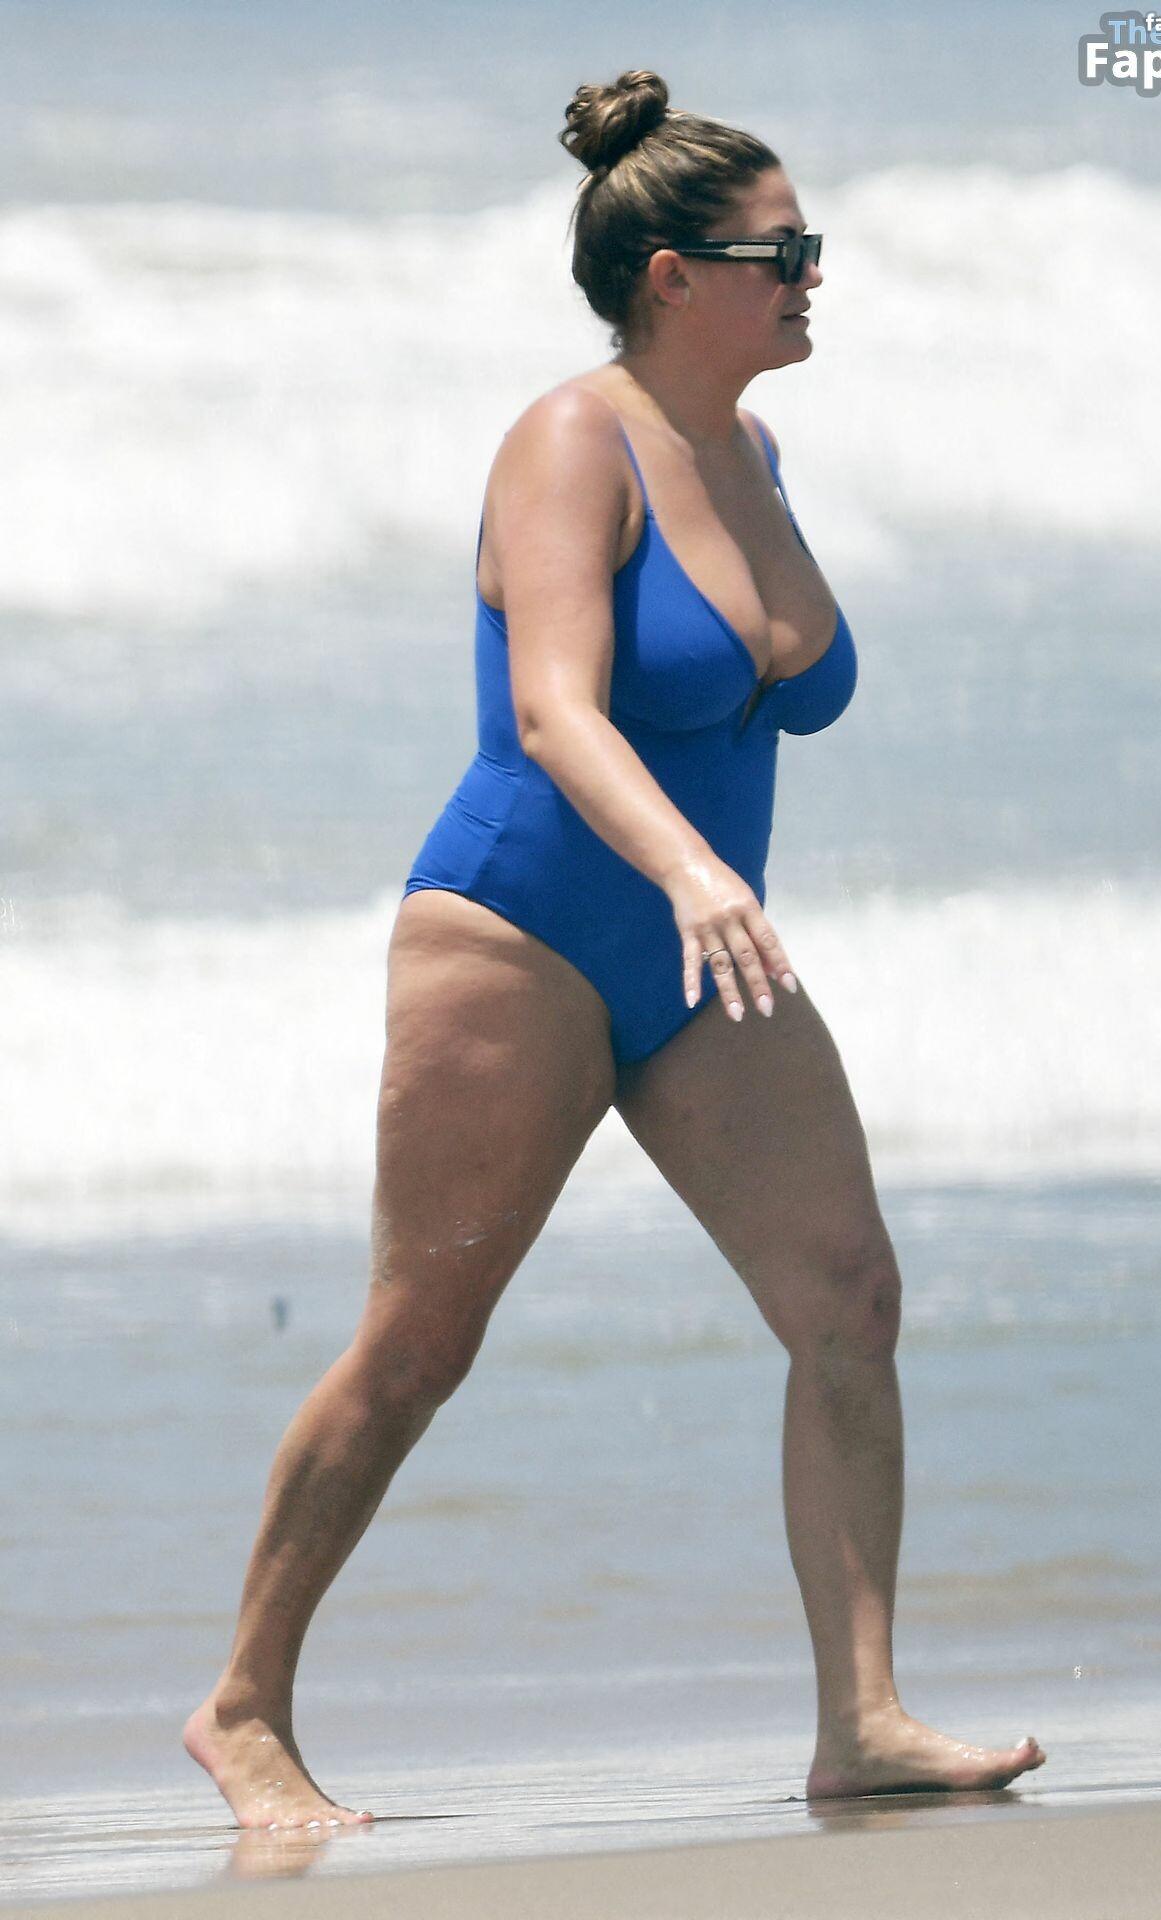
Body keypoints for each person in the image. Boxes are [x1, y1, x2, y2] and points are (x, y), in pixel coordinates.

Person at [184, 68, 1046, 1831]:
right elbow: (559, 709)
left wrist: (704, 888)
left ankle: (864, 1719)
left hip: (697, 955)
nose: (812, 273)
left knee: (850, 1298)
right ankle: (243, 1706)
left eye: (811, 245)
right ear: (671, 276)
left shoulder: (755, 452)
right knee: (421, 1342)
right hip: (529, 932)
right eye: (781, 251)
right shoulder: (567, 442)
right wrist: (691, 870)